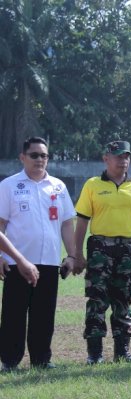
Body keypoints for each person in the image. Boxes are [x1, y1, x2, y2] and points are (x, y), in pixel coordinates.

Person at [73, 140, 131, 364]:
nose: (123, 160)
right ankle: (95, 354)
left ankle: (122, 352)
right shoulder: (92, 185)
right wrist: (77, 253)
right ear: (106, 158)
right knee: (97, 300)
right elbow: (81, 222)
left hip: (130, 249)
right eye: (118, 156)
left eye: (126, 156)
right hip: (100, 248)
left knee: (124, 300)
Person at [0, 137, 73, 372]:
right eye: (34, 155)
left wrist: (72, 255)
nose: (40, 160)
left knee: (44, 315)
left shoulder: (58, 187)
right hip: (16, 262)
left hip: (50, 262)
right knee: (13, 314)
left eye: (44, 155)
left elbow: (66, 225)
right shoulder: (9, 186)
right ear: (22, 157)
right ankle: (10, 361)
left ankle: (42, 359)